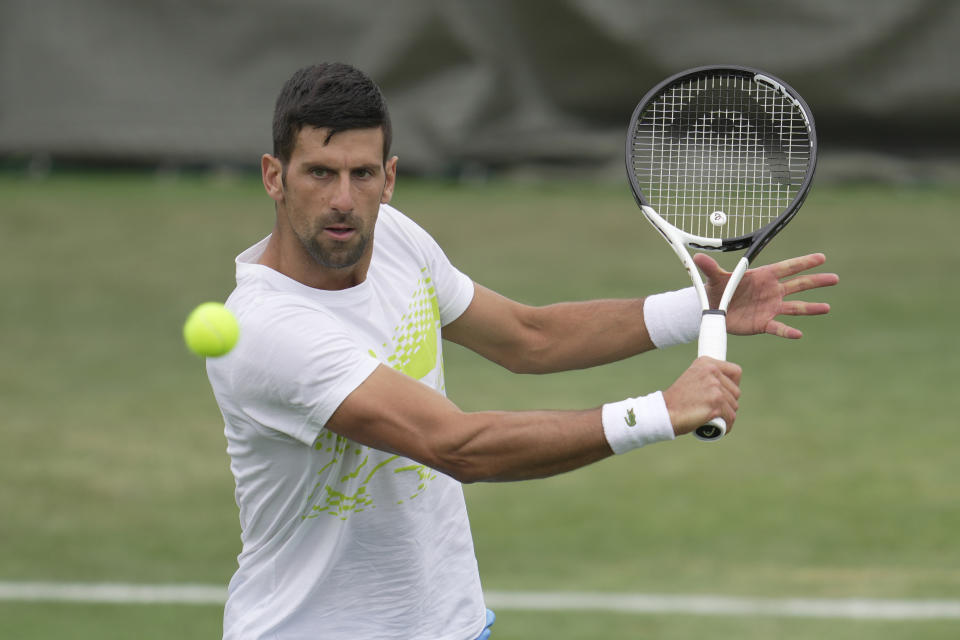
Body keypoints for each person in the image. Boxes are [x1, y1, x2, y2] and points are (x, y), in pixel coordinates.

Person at [205, 62, 838, 640]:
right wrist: (660, 412)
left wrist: (700, 307)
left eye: (362, 174)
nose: (343, 199)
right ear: (274, 177)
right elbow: (458, 446)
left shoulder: (395, 240)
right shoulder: (270, 331)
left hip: (450, 625)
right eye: (320, 173)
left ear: (389, 179)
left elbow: (528, 338)